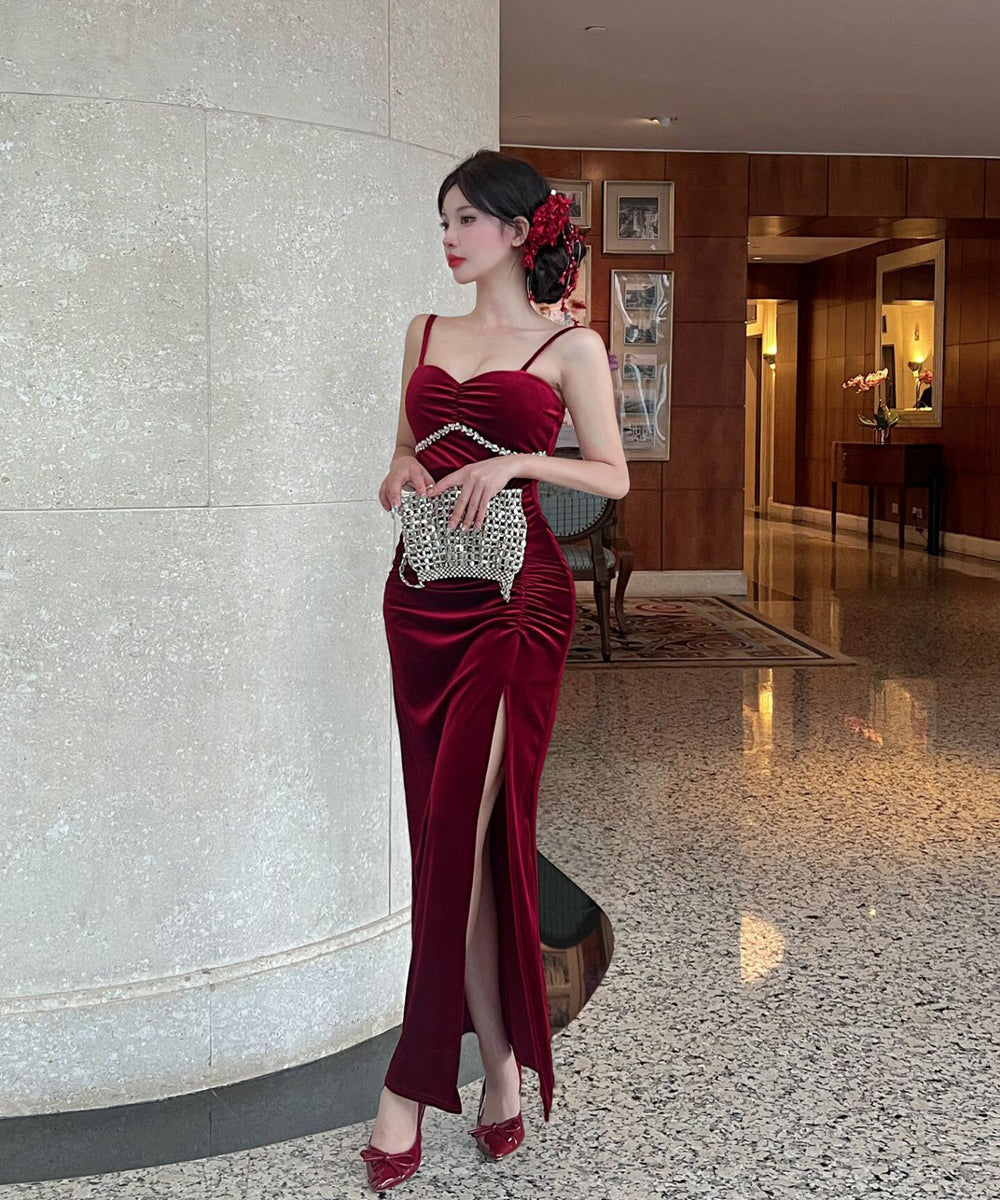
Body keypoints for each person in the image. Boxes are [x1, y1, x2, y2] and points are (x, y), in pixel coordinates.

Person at [361, 149, 629, 1191]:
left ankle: (407, 1083)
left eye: (465, 219)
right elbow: (402, 445)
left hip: (517, 605)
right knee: (455, 845)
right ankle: (504, 1069)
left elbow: (609, 475)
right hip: (420, 593)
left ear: (519, 232)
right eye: (443, 221)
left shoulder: (571, 345)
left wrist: (518, 460)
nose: (448, 237)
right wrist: (400, 471)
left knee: (455, 841)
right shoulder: (424, 333)